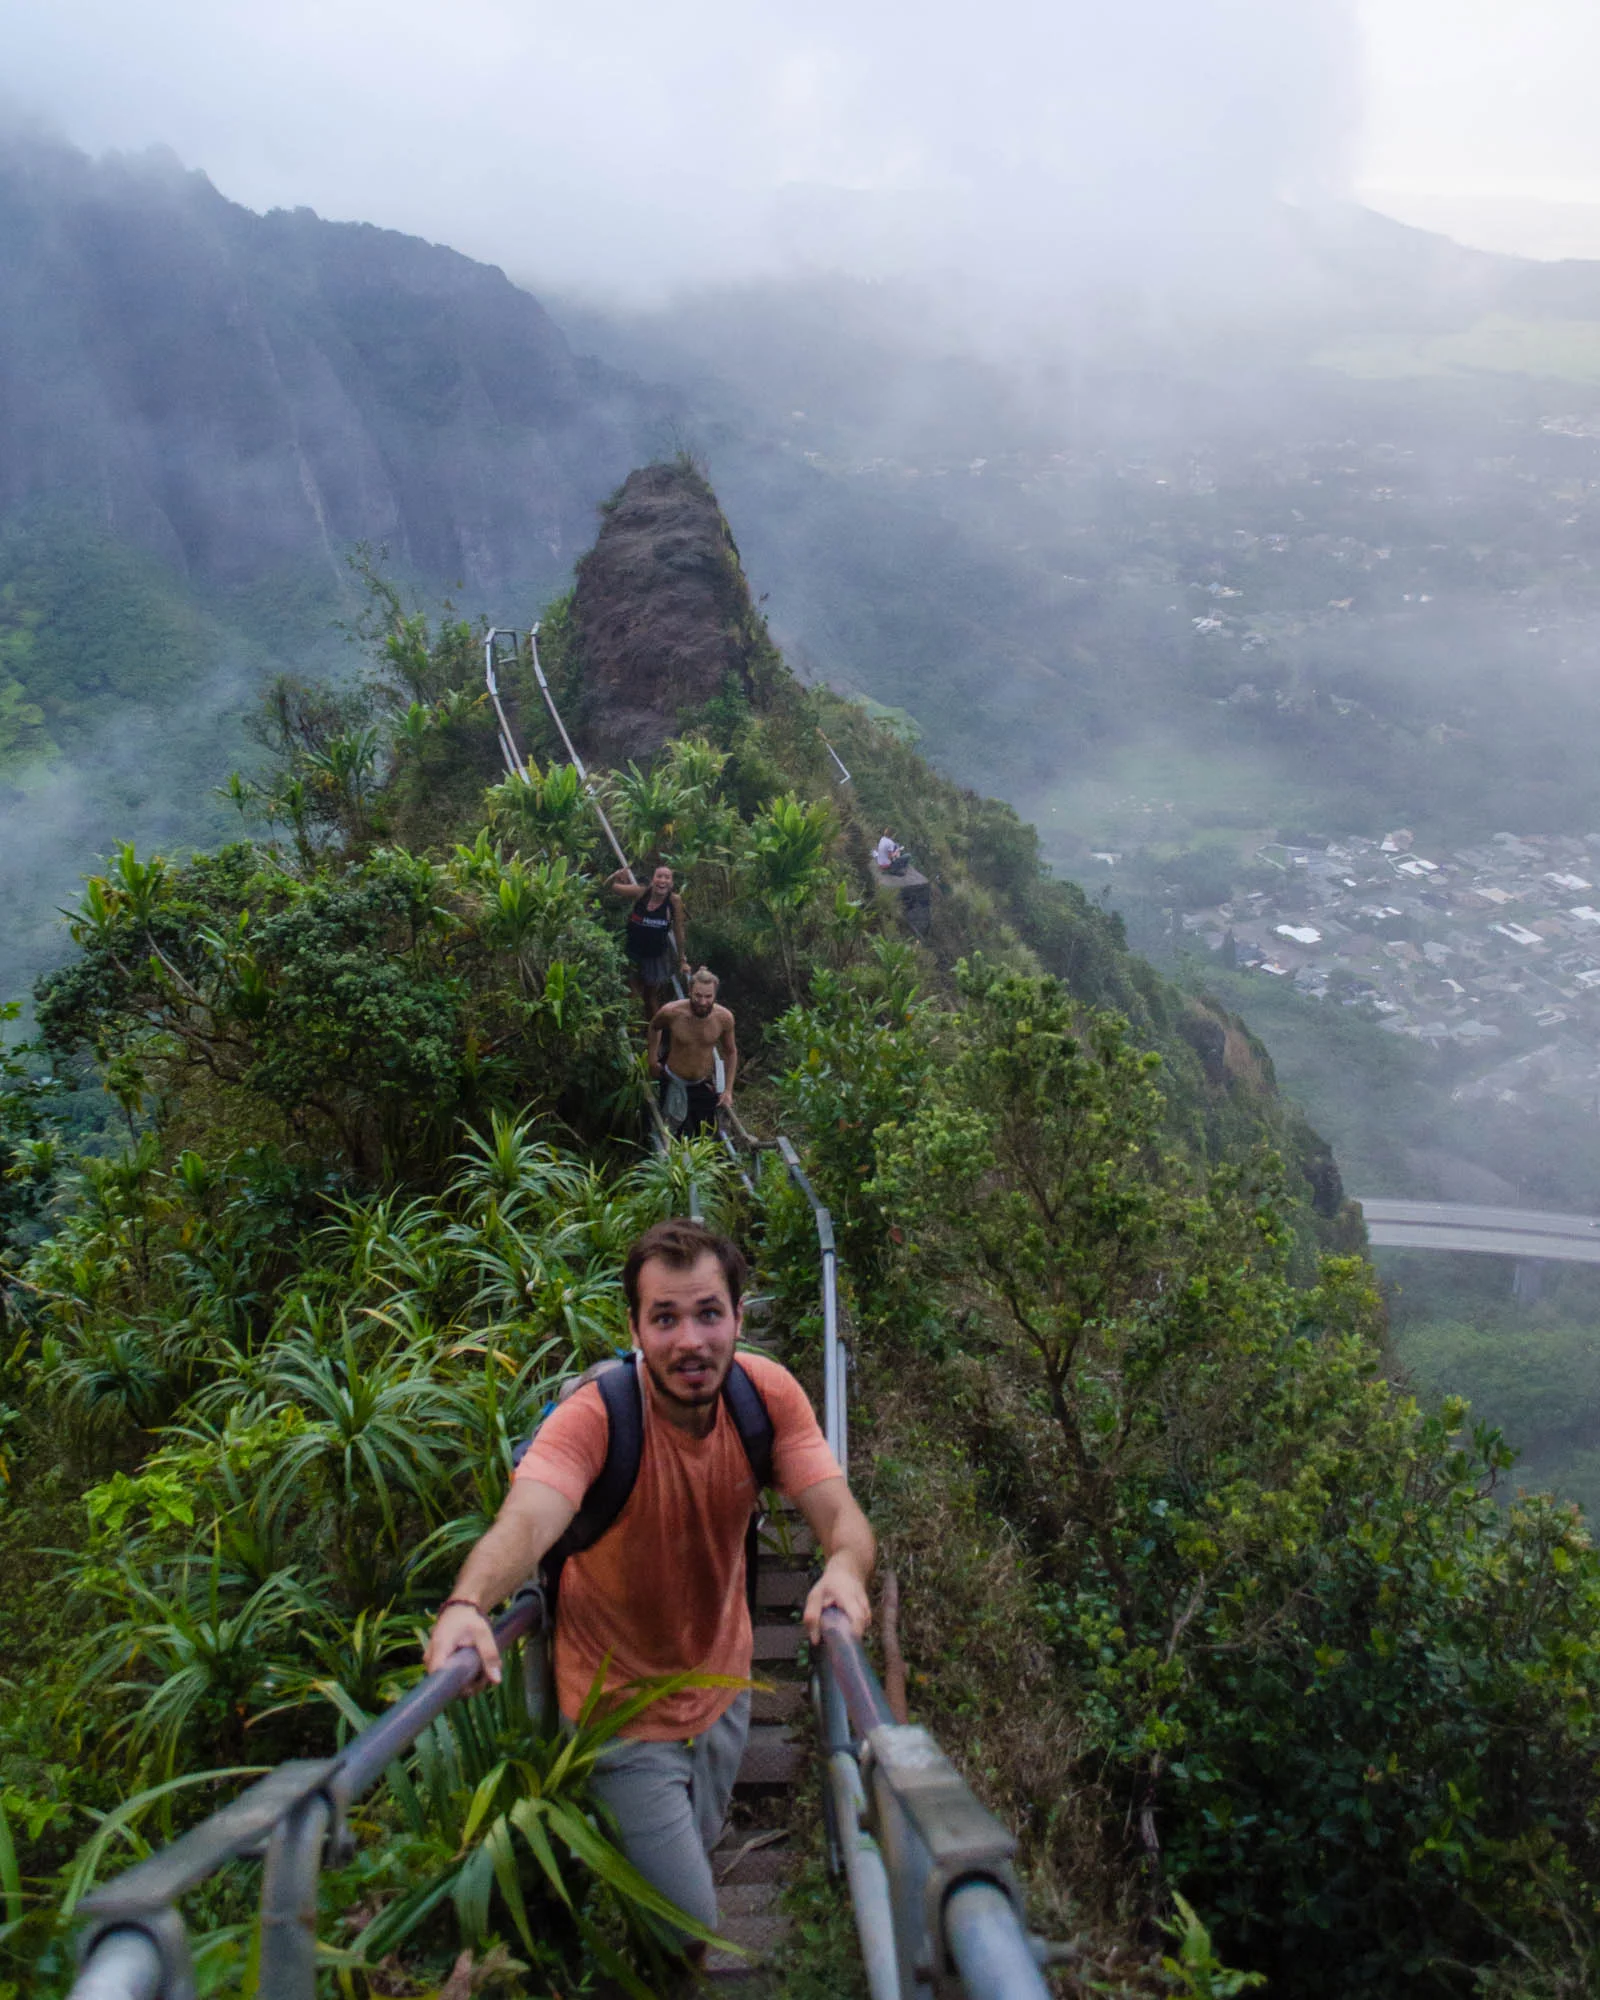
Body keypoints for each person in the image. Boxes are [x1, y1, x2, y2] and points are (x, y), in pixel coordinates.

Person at [422, 1219, 875, 1954]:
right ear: (633, 1327)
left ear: (737, 1316)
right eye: (664, 1318)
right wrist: (468, 1603)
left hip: (722, 1685)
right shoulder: (596, 1420)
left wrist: (844, 1572)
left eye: (708, 1313)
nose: (690, 1340)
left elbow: (841, 1518)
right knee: (690, 1921)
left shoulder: (766, 1397)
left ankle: (642, 1931)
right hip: (617, 1713)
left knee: (681, 1868)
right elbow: (529, 1521)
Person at [649, 969, 736, 1138]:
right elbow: (654, 1026)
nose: (703, 1002)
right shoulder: (672, 1012)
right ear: (689, 991)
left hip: (702, 1083)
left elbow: (730, 1051)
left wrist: (728, 1090)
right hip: (674, 1080)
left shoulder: (724, 1018)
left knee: (707, 1135)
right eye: (698, 996)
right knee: (672, 1132)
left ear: (715, 994)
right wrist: (652, 1059)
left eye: (708, 996)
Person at [608, 863, 689, 1020]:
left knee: (650, 996)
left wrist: (682, 959)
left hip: (655, 955)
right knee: (630, 992)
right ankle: (630, 1030)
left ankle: (655, 1030)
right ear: (653, 880)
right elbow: (613, 887)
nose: (662, 880)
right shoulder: (641, 892)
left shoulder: (674, 901)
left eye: (667, 877)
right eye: (659, 876)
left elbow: (679, 930)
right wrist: (617, 876)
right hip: (633, 951)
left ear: (671, 883)